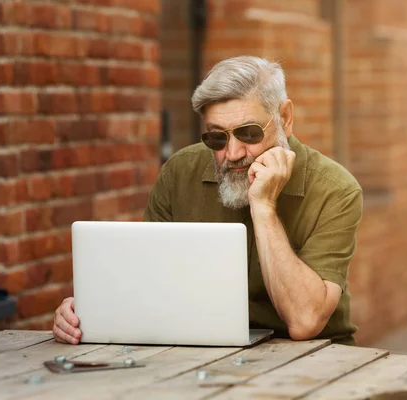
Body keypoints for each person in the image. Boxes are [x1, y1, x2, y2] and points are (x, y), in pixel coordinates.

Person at [52, 56, 363, 345]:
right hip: (201, 350)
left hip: (315, 359)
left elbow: (305, 321)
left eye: (249, 133)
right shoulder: (179, 172)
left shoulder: (336, 189)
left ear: (284, 117)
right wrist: (87, 311)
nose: (233, 153)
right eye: (217, 137)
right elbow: (146, 284)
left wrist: (264, 209)